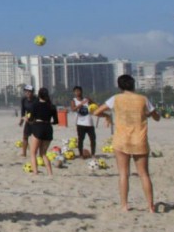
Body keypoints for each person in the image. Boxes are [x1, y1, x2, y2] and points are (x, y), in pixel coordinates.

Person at [93, 74, 160, 212]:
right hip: (139, 140)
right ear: (133, 85)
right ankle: (150, 206)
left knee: (123, 174)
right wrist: (147, 115)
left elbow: (96, 112)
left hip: (121, 140)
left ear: (120, 86)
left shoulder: (115, 99)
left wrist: (107, 116)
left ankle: (124, 205)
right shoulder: (143, 99)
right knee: (144, 174)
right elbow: (157, 117)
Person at [25, 87, 57, 176]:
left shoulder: (35, 105)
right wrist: (48, 122)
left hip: (38, 128)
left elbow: (31, 119)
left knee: (33, 153)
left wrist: (27, 119)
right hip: (48, 129)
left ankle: (35, 172)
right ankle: (50, 173)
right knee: (43, 153)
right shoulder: (52, 106)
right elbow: (56, 121)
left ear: (39, 95)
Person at [69, 86, 97, 158]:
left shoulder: (86, 99)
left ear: (81, 91)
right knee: (81, 139)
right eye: (76, 91)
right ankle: (81, 154)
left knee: (93, 139)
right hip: (80, 123)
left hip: (89, 123)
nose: (77, 93)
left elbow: (95, 105)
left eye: (79, 91)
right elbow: (73, 109)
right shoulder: (74, 100)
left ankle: (93, 154)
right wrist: (81, 104)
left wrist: (91, 101)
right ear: (74, 93)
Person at [18, 85, 37, 154]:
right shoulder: (24, 100)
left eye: (29, 91)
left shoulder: (36, 100)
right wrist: (22, 120)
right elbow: (23, 112)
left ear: (32, 92)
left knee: (36, 138)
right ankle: (24, 153)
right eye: (26, 91)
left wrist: (35, 119)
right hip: (28, 121)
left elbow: (40, 111)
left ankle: (35, 152)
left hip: (36, 121)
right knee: (25, 137)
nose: (27, 93)